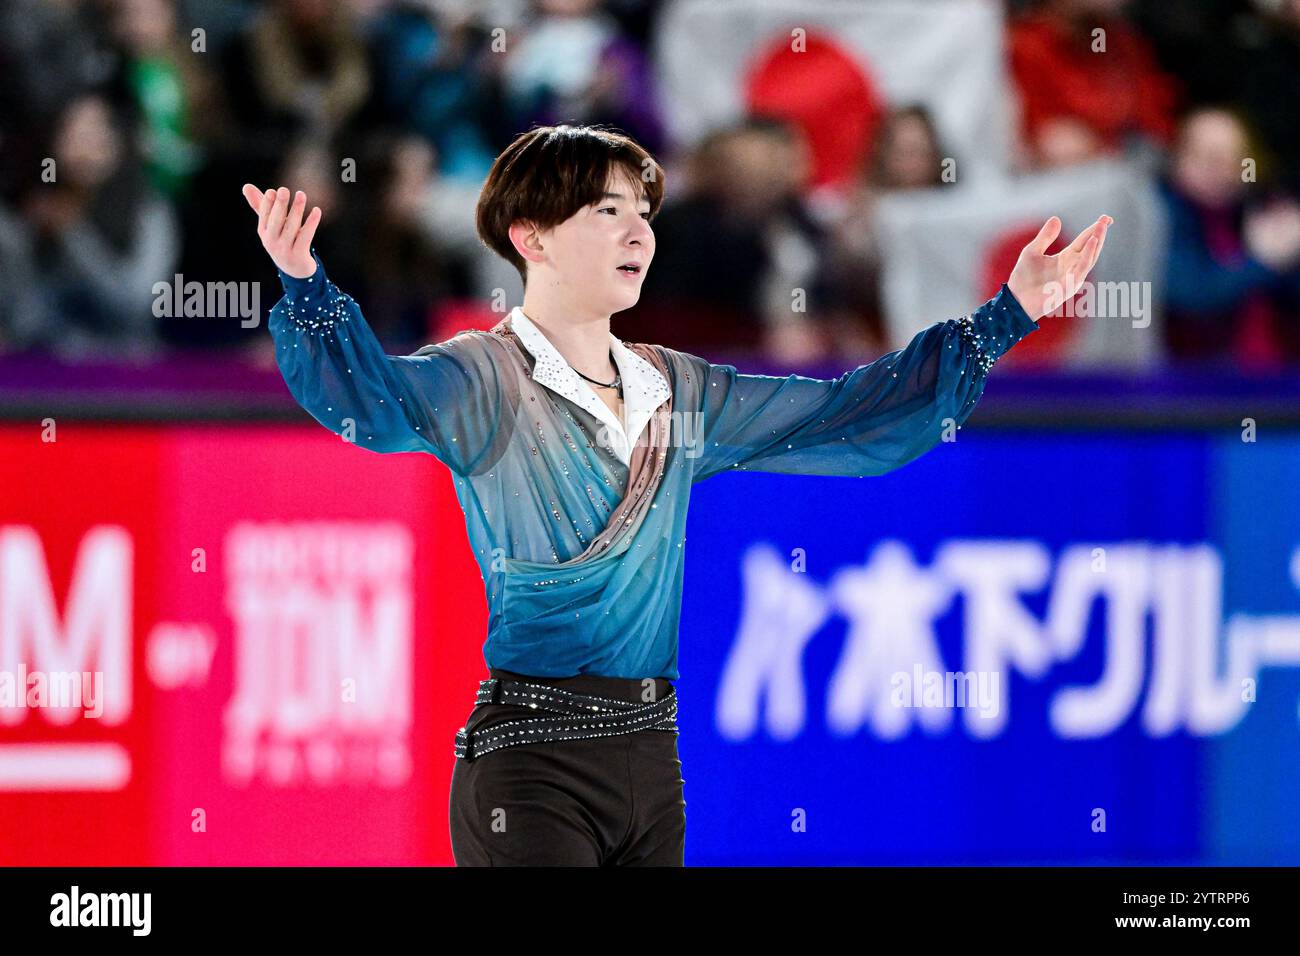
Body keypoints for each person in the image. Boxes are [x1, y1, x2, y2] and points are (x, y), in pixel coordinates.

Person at [242, 123, 1111, 866]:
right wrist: (306, 284)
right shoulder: (481, 380)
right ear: (531, 236)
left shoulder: (681, 393)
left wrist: (1006, 316)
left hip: (654, 763)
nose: (637, 232)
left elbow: (848, 415)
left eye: (643, 213)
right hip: (530, 763)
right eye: (607, 210)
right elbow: (373, 401)